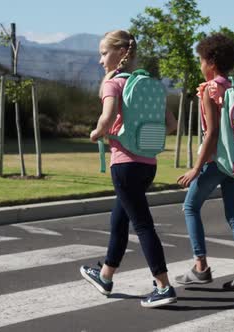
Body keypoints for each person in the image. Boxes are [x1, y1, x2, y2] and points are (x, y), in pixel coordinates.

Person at [80, 29, 178, 308]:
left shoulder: (113, 84)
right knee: (119, 218)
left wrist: (96, 132)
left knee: (143, 225)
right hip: (148, 164)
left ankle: (163, 286)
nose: (100, 60)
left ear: (121, 53)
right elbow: (171, 125)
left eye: (103, 53)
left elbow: (107, 117)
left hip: (124, 164)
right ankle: (105, 275)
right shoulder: (149, 82)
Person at [175, 33, 234, 292]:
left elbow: (211, 133)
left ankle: (200, 267)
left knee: (190, 208)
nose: (200, 65)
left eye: (201, 60)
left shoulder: (210, 90)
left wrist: (197, 167)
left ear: (210, 62)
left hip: (215, 163)